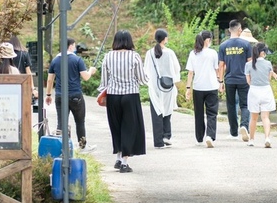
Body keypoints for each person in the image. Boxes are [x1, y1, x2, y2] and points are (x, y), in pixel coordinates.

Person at [100, 30, 147, 172]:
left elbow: (104, 81)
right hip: (130, 95)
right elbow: (142, 79)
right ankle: (125, 163)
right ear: (129, 41)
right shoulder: (134, 56)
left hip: (113, 96)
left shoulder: (108, 56)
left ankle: (118, 158)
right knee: (129, 128)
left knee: (116, 126)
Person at [45, 38, 94, 150]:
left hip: (60, 95)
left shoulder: (55, 61)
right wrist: (91, 70)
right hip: (75, 95)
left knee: (61, 123)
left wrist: (48, 95)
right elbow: (86, 77)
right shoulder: (77, 60)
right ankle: (82, 147)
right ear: (71, 46)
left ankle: (62, 148)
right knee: (80, 121)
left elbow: (49, 80)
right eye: (74, 46)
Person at [144, 29, 180, 149]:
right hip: (167, 86)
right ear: (164, 39)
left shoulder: (149, 53)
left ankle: (158, 142)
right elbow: (176, 68)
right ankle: (166, 136)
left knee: (156, 111)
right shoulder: (169, 52)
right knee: (167, 109)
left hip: (154, 87)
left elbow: (146, 70)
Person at [184, 30, 221, 147]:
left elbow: (190, 73)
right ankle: (210, 135)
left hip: (198, 87)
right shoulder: (213, 53)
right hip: (211, 87)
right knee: (212, 113)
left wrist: (188, 88)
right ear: (208, 40)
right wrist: (220, 82)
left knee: (199, 113)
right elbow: (217, 70)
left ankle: (199, 138)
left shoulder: (193, 53)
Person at [218, 19, 253, 141]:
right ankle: (244, 126)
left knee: (231, 105)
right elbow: (250, 63)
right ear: (239, 30)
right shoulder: (246, 45)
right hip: (244, 79)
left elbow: (221, 65)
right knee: (245, 104)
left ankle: (233, 132)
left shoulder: (223, 45)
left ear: (228, 30)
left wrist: (220, 82)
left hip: (229, 80)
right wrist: (251, 79)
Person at [245, 42, 277, 148]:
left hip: (254, 91)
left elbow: (248, 80)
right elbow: (268, 79)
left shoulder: (248, 64)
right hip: (266, 90)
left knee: (253, 117)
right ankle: (267, 138)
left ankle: (251, 139)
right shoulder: (268, 64)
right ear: (262, 53)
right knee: (265, 117)